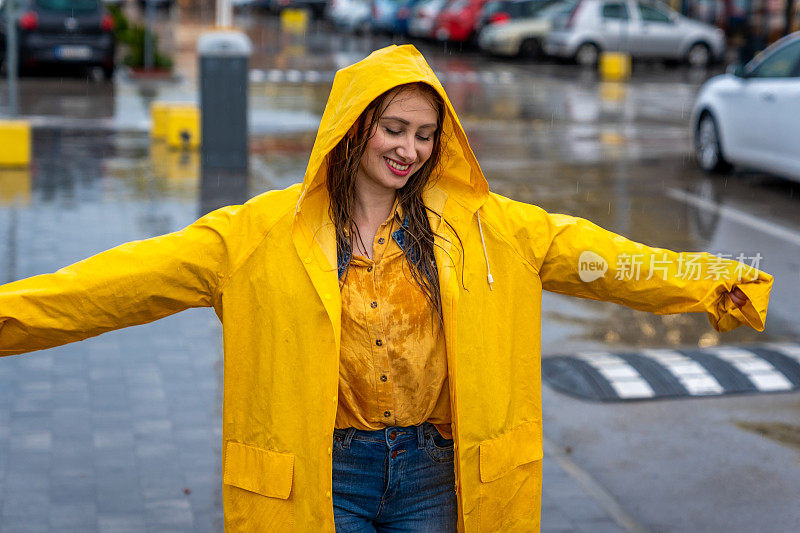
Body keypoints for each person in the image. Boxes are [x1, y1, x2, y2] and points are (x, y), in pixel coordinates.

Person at [0, 45, 771, 532]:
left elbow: (607, 259)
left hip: (431, 477)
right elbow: (114, 284)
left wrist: (713, 281)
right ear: (354, 126)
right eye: (394, 128)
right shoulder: (255, 235)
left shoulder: (487, 227)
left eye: (425, 134)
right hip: (321, 474)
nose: (409, 148)